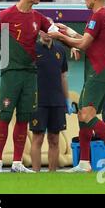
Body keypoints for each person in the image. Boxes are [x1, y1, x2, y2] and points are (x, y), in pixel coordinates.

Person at [48, 0, 105, 172]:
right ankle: (84, 163)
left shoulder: (98, 15)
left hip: (98, 72)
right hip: (99, 72)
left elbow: (84, 45)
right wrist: (67, 31)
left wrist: (59, 37)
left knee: (87, 115)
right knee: (83, 115)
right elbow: (89, 42)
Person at [0, 0, 53, 173]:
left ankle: (17, 163)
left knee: (23, 118)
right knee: (5, 117)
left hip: (30, 75)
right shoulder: (6, 15)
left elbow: (56, 30)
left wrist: (76, 41)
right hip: (11, 74)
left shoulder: (39, 18)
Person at [30, 19, 69, 172]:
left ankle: (52, 175)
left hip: (57, 101)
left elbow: (63, 76)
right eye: (44, 29)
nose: (47, 32)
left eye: (49, 29)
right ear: (39, 31)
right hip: (37, 101)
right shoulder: (32, 48)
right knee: (38, 138)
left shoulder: (60, 50)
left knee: (54, 139)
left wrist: (66, 99)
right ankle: (36, 174)